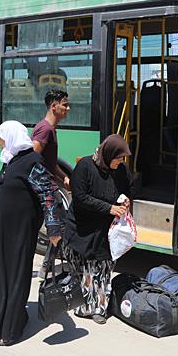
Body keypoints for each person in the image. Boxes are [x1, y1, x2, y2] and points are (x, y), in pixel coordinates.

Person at [0, 121, 63, 346]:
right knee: (1, 274)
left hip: (19, 233)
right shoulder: (11, 160)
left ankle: (10, 330)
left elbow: (49, 194)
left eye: (1, 137)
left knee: (15, 275)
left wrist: (54, 228)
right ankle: (6, 317)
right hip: (0, 232)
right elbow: (2, 192)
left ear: (12, 137)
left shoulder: (32, 162)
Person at [63, 135, 131, 324]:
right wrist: (109, 208)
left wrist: (125, 201)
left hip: (105, 231)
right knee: (84, 270)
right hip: (82, 228)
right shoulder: (85, 167)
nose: (121, 161)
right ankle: (83, 305)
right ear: (108, 154)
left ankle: (99, 309)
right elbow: (80, 197)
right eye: (118, 158)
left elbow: (126, 191)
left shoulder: (122, 170)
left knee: (102, 270)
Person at [31, 89, 71, 190]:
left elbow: (51, 163)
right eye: (65, 105)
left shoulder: (50, 128)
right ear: (54, 106)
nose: (68, 108)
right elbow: (31, 159)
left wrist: (64, 177)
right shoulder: (45, 129)